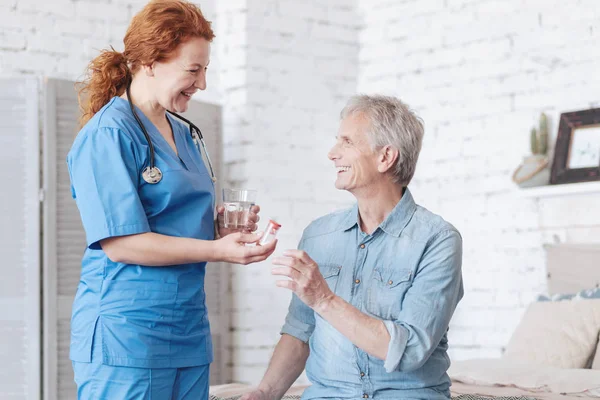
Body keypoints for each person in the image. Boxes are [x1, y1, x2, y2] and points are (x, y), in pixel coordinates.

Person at [67, 1, 277, 398]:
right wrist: (219, 250)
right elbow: (121, 243)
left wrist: (221, 229)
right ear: (149, 62)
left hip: (187, 332)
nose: (202, 84)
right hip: (127, 334)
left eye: (205, 70)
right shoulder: (107, 135)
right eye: (193, 70)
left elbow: (176, 220)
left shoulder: (185, 133)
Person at [242, 95, 464, 400]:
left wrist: (324, 299)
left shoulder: (438, 240)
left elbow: (410, 349)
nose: (333, 154)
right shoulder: (318, 235)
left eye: (347, 142)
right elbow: (300, 330)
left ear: (385, 157)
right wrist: (264, 393)